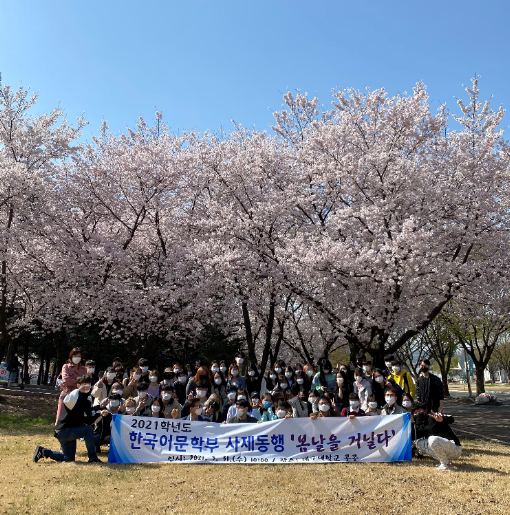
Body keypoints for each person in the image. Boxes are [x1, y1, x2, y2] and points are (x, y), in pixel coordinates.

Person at [33, 375, 102, 463]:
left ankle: (43, 451)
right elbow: (68, 401)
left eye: (88, 383)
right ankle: (93, 458)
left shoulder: (87, 398)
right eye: (84, 383)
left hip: (70, 431)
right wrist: (79, 390)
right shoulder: (74, 396)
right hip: (63, 431)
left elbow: (88, 419)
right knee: (88, 429)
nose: (86, 386)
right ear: (78, 385)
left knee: (68, 459)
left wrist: (100, 411)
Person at [413, 402, 462, 470]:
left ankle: (445, 465)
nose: (418, 414)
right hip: (443, 448)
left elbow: (451, 419)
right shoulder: (421, 423)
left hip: (454, 448)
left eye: (419, 411)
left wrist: (442, 419)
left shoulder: (433, 416)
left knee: (432, 439)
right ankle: (445, 462)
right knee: (419, 443)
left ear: (425, 410)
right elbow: (416, 435)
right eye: (416, 413)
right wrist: (413, 422)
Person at [55, 348, 88, 423]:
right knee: (62, 417)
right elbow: (66, 380)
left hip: (80, 395)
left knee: (76, 418)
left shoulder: (84, 369)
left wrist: (73, 381)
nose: (77, 358)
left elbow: (86, 382)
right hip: (67, 394)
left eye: (78, 356)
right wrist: (80, 383)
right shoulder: (66, 366)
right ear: (71, 357)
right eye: (75, 356)